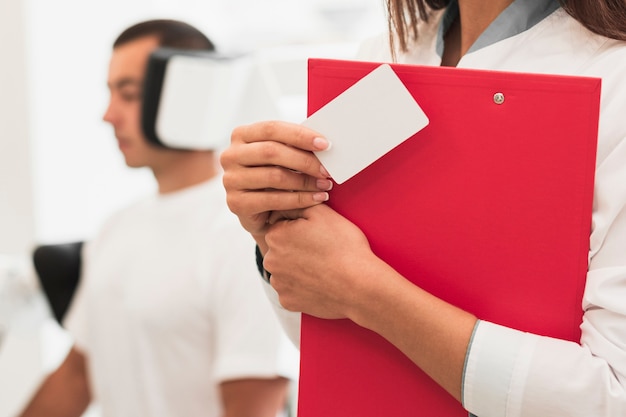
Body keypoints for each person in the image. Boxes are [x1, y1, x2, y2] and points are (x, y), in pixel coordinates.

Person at [220, 1, 626, 416]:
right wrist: (276, 228)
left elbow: (611, 395)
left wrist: (365, 292)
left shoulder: (614, 76)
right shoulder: (385, 54)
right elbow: (335, 351)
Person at [20, 19, 298, 417]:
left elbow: (252, 404)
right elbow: (78, 374)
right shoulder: (116, 227)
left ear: (191, 95)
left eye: (129, 95)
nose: (108, 115)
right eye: (111, 93)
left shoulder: (243, 235)